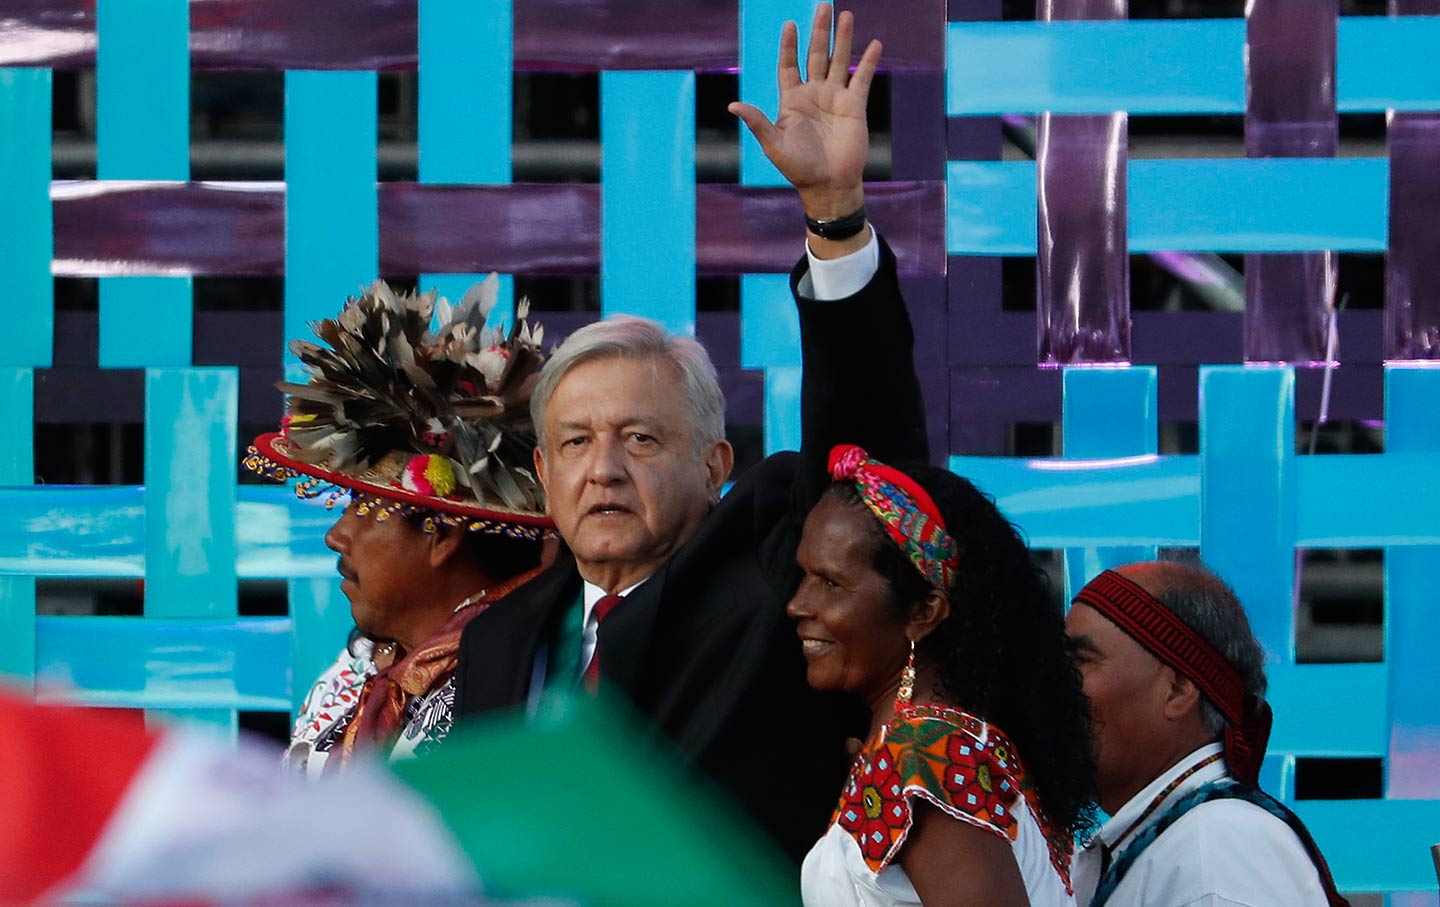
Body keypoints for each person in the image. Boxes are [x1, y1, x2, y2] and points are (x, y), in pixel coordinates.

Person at [454, 5, 925, 859]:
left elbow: (872, 471)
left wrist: (834, 213)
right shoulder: (497, 639)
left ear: (715, 465)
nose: (602, 469)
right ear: (541, 471)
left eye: (639, 439)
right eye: (574, 443)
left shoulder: (774, 584)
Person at [245, 276, 554, 775]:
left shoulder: (520, 688)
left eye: (364, 507)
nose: (335, 535)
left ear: (442, 536)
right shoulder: (352, 674)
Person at [790, 445, 1096, 907]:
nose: (798, 604)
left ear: (924, 612)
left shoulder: (925, 753)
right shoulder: (945, 744)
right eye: (804, 576)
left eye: (830, 583)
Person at [1066, 561, 1350, 907]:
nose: (1054, 684)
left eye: (1080, 660)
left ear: (1177, 691)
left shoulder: (1217, 850)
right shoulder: (1191, 844)